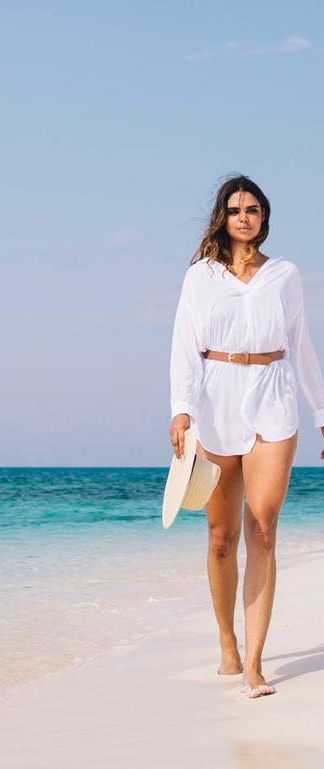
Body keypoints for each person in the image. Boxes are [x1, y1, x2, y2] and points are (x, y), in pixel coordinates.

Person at [168, 175, 324, 699]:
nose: (244, 217)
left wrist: (323, 411)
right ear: (222, 216)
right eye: (235, 209)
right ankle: (227, 643)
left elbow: (301, 344)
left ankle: (254, 665)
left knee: (262, 528)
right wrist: (181, 410)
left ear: (264, 217)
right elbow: (185, 345)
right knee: (220, 538)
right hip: (215, 404)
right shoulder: (201, 277)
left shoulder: (285, 274)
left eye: (253, 209)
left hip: (273, 399)